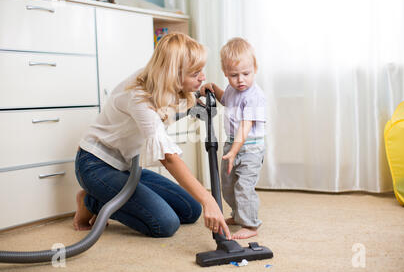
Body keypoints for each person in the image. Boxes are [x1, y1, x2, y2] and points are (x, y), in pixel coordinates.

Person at [73, 32, 231, 240]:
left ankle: (114, 193)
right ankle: (91, 199)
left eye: (201, 71)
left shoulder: (163, 82)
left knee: (191, 209)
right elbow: (168, 158)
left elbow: (168, 112)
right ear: (173, 74)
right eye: (195, 74)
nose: (202, 77)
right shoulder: (139, 96)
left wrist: (198, 95)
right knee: (164, 224)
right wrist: (209, 199)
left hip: (127, 168)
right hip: (96, 165)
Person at [199, 37, 266, 239]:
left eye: (246, 74)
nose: (240, 80)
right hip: (231, 145)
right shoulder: (231, 89)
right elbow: (224, 99)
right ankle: (238, 215)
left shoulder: (254, 96)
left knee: (244, 185)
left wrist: (234, 151)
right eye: (234, 75)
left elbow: (246, 126)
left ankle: (251, 224)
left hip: (250, 149)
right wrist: (212, 87)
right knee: (227, 184)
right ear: (226, 74)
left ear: (255, 68)